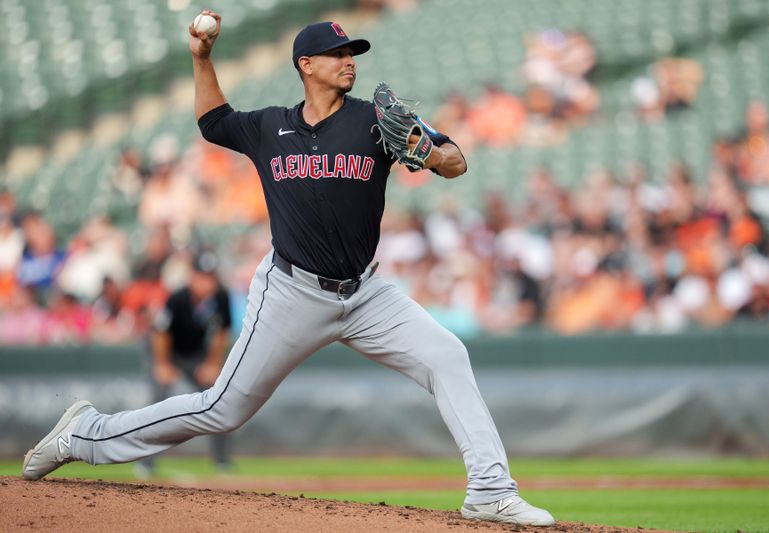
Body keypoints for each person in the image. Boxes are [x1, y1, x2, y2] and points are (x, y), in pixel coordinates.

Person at [22, 11, 555, 527]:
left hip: (367, 294)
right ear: (305, 63)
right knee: (223, 410)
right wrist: (201, 57)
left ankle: (490, 490)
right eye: (338, 53)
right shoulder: (270, 126)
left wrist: (428, 151)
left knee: (447, 355)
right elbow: (213, 123)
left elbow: (455, 160)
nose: (350, 61)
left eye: (353, 53)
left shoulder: (375, 119)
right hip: (291, 293)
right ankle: (85, 434)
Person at [136, 251, 233, 477]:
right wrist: (162, 365)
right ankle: (146, 462)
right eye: (202, 276)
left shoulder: (221, 297)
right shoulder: (178, 298)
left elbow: (221, 333)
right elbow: (160, 334)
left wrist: (211, 363)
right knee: (157, 403)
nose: (207, 282)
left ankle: (222, 462)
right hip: (168, 353)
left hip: (196, 354)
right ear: (193, 277)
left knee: (220, 399)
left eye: (211, 277)